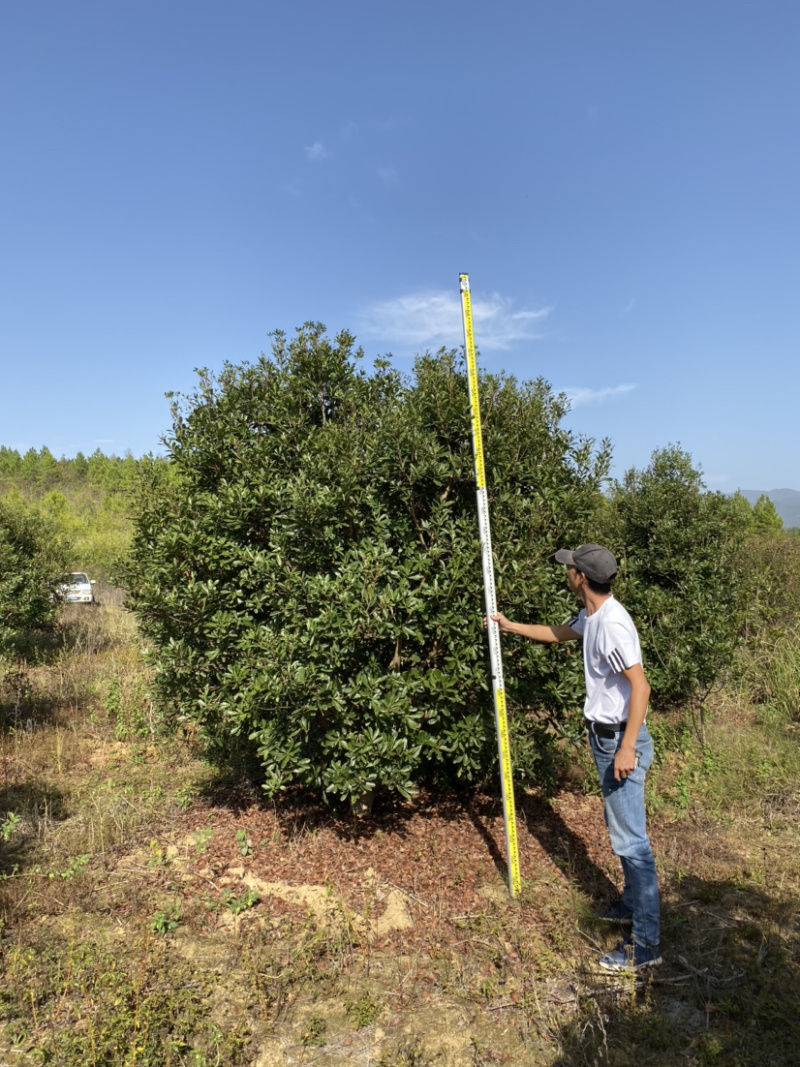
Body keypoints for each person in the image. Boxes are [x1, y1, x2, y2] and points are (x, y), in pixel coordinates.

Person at [490, 543, 662, 971]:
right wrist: (508, 626)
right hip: (607, 740)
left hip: (621, 741)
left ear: (582, 578)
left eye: (570, 569)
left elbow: (640, 687)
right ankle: (629, 906)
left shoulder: (612, 626)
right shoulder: (591, 617)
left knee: (633, 843)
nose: (566, 573)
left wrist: (626, 747)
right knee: (621, 831)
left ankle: (646, 945)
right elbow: (556, 633)